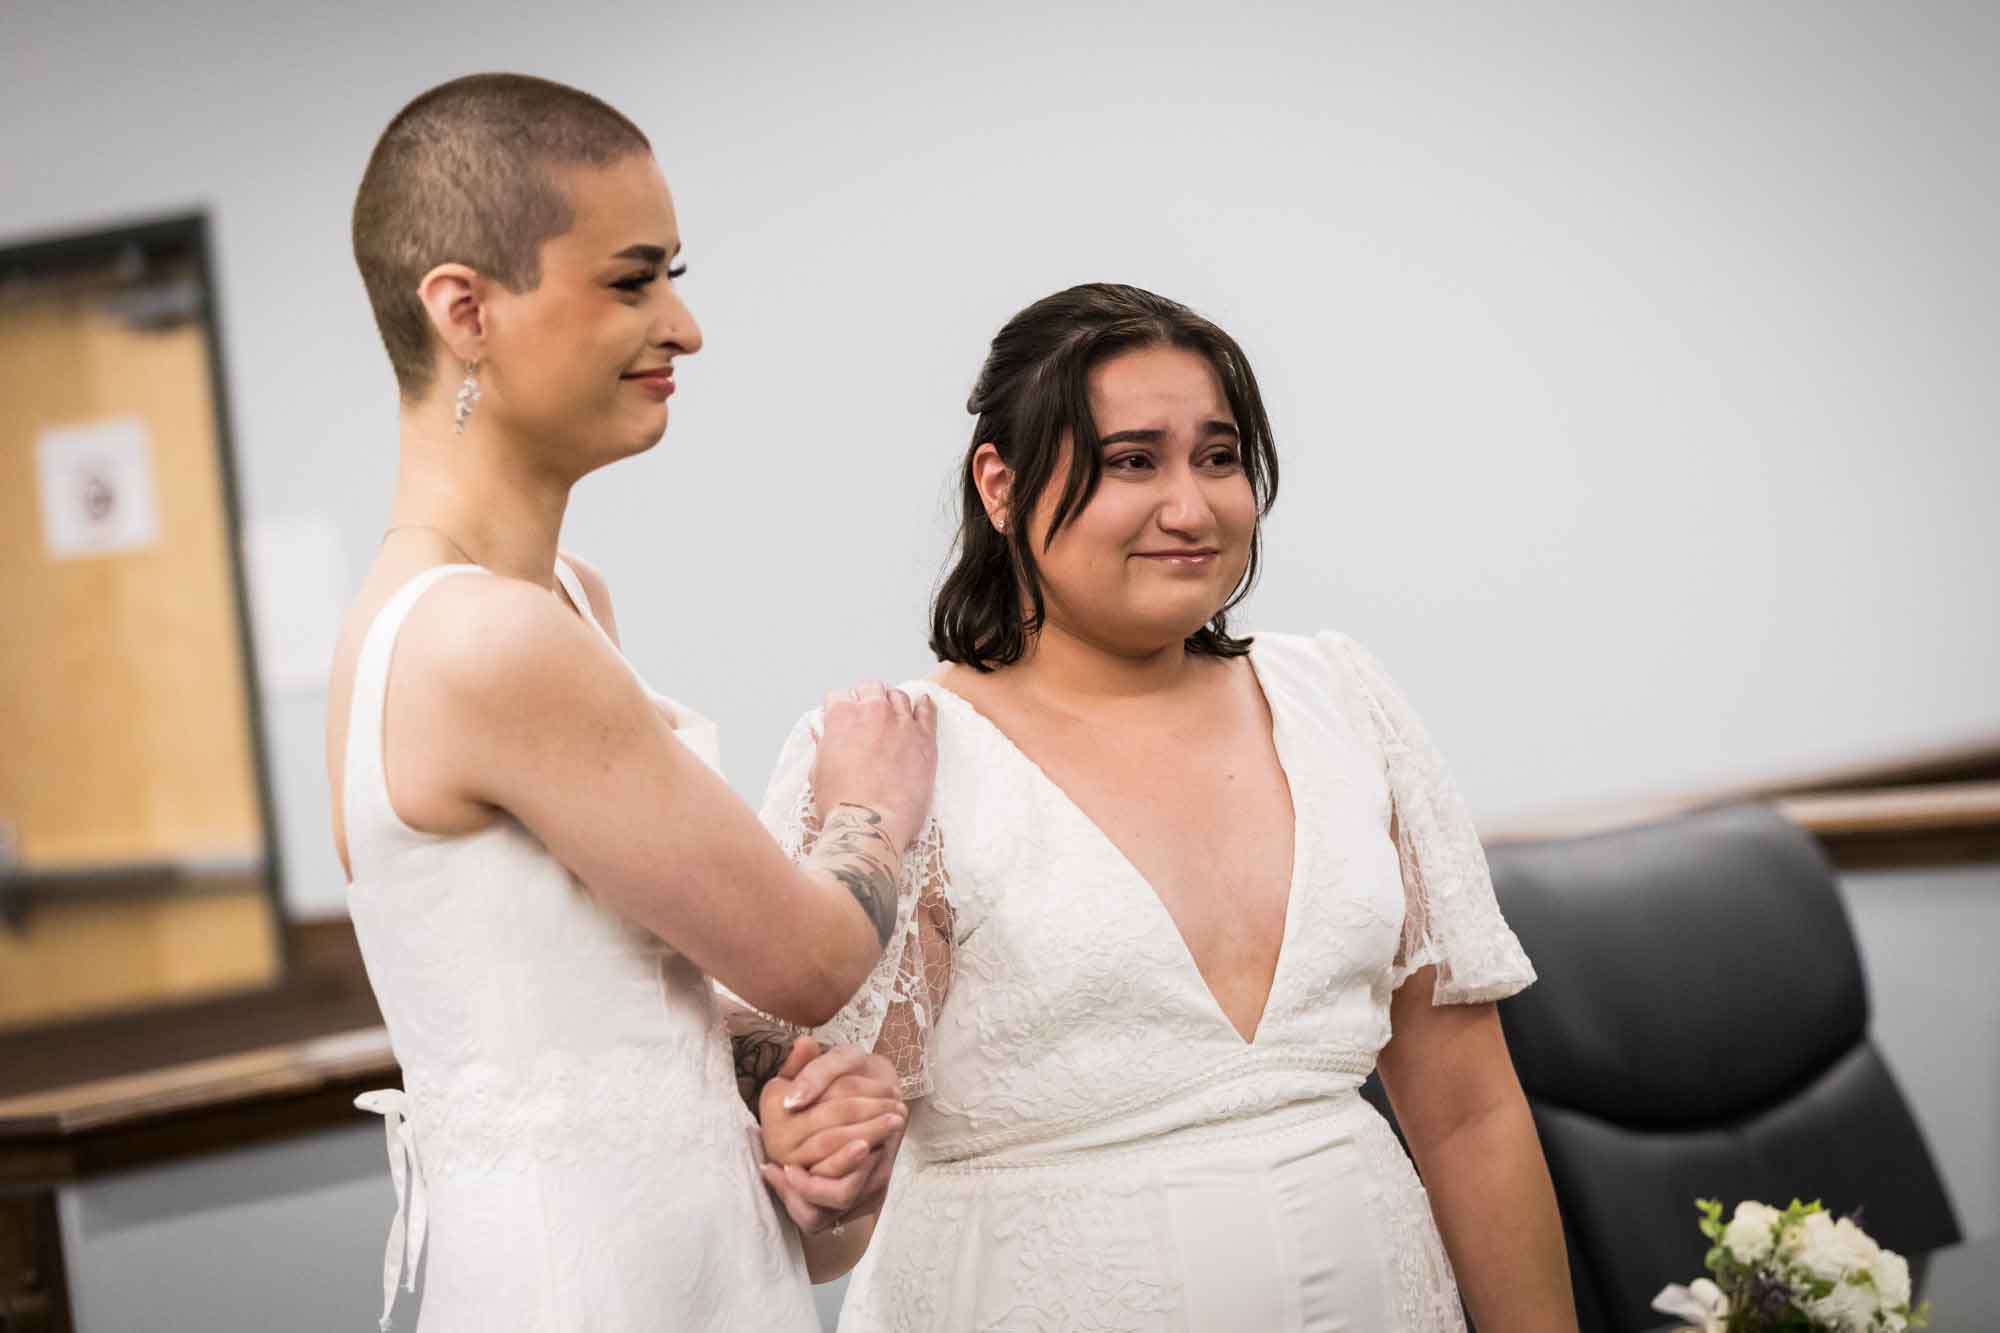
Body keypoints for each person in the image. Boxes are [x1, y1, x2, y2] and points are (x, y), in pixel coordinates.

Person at [756, 283, 1578, 1330]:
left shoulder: (1342, 700)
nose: (1190, 508)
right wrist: (817, 1167)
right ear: (998, 485)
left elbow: (1467, 1113)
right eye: (1132, 461)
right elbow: (822, 1202)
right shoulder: (890, 756)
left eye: (1219, 456)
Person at [326, 73, 933, 1332]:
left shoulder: (556, 596)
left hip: (687, 1247)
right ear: (464, 310)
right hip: (581, 1285)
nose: (685, 326)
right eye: (631, 280)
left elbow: (604, 1001)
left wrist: (778, 1098)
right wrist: (867, 799)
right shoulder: (477, 637)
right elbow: (808, 956)